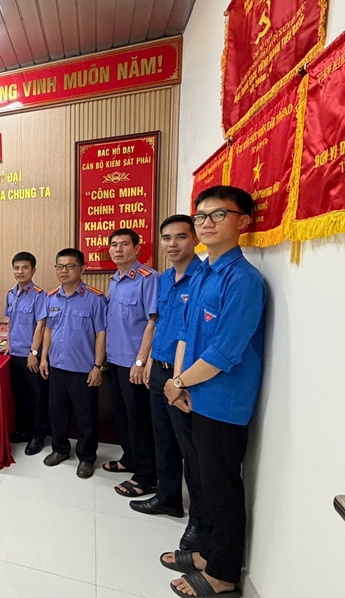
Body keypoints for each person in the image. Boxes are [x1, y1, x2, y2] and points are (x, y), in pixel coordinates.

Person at [161, 186, 266, 598]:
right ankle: (206, 553)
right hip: (190, 395)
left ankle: (223, 574)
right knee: (202, 482)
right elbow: (186, 332)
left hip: (222, 402)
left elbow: (225, 351)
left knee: (222, 488)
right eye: (201, 215)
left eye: (218, 214)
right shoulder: (203, 272)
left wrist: (179, 382)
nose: (206, 222)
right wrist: (177, 384)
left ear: (243, 221)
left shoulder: (244, 280)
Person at [131, 216, 204, 549]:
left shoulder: (202, 278)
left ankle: (198, 521)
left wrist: (179, 379)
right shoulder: (163, 279)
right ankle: (168, 497)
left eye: (180, 237)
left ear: (195, 239)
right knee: (164, 440)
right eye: (166, 238)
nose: (172, 244)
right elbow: (159, 323)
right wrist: (147, 361)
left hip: (183, 377)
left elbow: (193, 335)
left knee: (190, 449)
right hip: (159, 370)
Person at [39, 248, 107, 477]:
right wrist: (44, 358)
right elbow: (48, 330)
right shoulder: (51, 297)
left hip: (83, 369)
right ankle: (60, 449)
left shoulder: (95, 298)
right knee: (57, 412)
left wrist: (97, 366)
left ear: (82, 269)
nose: (64, 271)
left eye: (70, 266)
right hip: (57, 366)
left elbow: (101, 334)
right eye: (59, 266)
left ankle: (86, 457)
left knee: (86, 416)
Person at [104, 228, 160, 498]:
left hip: (133, 363)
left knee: (140, 421)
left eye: (124, 244)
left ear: (137, 248)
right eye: (114, 245)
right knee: (123, 416)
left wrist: (141, 361)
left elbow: (154, 321)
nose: (118, 249)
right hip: (115, 360)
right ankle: (129, 459)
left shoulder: (148, 278)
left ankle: (147, 475)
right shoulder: (114, 280)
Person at [0, 251, 50, 455]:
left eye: (25, 268)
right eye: (17, 268)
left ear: (33, 270)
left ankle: (38, 435)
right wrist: (8, 344)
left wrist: (33, 352)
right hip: (15, 354)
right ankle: (25, 431)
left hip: (31, 355)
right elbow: (11, 322)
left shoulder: (39, 294)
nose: (20, 272)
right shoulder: (10, 294)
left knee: (37, 396)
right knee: (21, 395)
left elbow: (41, 325)